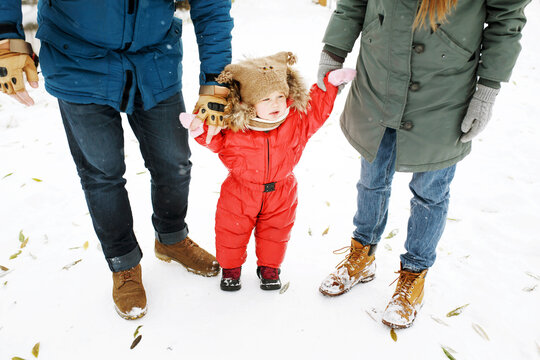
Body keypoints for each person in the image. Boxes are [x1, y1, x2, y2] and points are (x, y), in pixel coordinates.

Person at [0, 0, 233, 320]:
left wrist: (216, 78)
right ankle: (123, 264)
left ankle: (171, 238)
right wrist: (5, 39)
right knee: (101, 174)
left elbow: (212, 4)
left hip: (154, 58)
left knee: (174, 163)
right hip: (76, 61)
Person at [316, 0, 531, 329]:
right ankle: (363, 252)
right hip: (380, 79)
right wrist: (333, 52)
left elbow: (506, 18)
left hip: (443, 92)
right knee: (372, 177)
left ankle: (414, 274)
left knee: (430, 192)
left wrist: (487, 90)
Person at [180, 52, 356, 291]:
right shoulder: (235, 126)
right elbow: (216, 139)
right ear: (249, 103)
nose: (276, 103)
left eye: (280, 96)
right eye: (266, 99)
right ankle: (231, 269)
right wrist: (199, 129)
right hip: (240, 191)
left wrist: (330, 85)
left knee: (276, 233)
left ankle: (269, 267)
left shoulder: (295, 121)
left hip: (281, 192)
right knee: (231, 232)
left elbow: (316, 110)